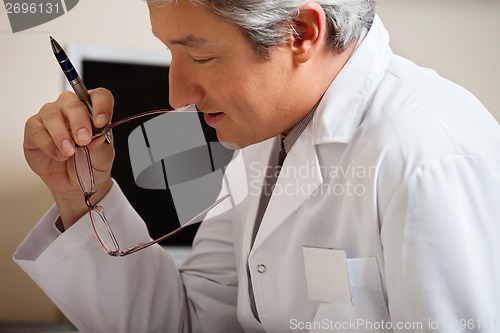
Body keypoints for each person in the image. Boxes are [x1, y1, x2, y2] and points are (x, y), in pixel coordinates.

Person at [15, 0, 500, 332]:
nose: (176, 95)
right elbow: (191, 322)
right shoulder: (264, 141)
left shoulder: (429, 154)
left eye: (200, 55)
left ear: (301, 33)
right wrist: (83, 194)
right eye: (171, 51)